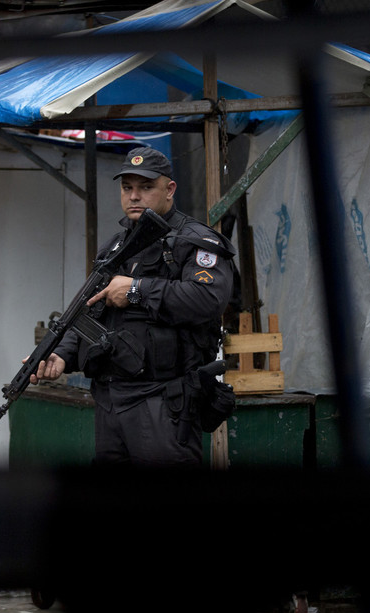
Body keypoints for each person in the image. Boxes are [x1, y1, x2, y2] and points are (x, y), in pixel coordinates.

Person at [30, 146, 236, 469]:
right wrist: (61, 353)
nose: (134, 196)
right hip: (111, 405)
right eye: (127, 188)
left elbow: (208, 299)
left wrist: (137, 290)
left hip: (163, 403)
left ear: (170, 190)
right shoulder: (115, 246)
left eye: (145, 187)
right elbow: (89, 310)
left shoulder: (193, 241)